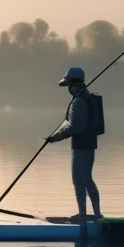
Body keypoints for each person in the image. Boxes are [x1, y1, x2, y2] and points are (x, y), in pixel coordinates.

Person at [46, 67, 102, 235]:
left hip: (81, 147)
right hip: (89, 146)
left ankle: (83, 216)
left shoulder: (79, 101)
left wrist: (55, 138)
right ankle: (96, 214)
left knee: (79, 181)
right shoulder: (88, 98)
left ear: (73, 84)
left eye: (68, 85)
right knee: (87, 179)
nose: (68, 89)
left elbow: (74, 127)